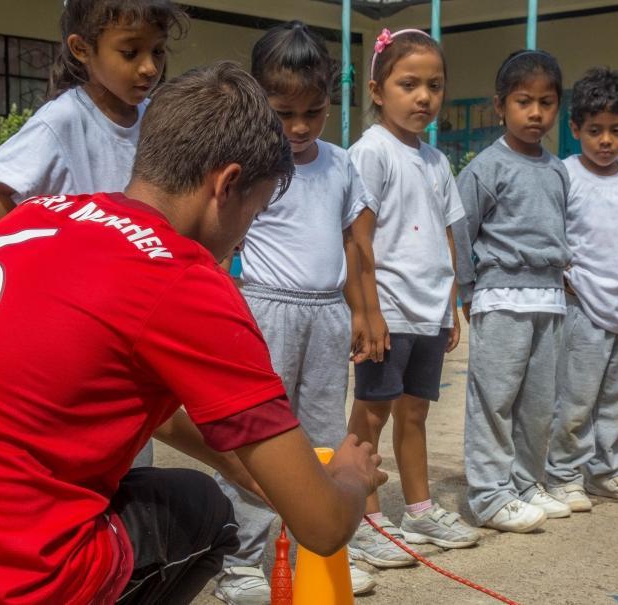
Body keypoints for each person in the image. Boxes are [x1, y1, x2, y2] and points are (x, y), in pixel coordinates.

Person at [0, 62, 387, 605]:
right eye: (255, 212)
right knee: (203, 510)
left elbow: (125, 392)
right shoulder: (181, 278)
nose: (242, 238)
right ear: (227, 185)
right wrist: (348, 477)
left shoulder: (37, 217)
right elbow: (322, 526)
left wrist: (237, 462)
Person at [0, 0, 187, 468]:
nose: (148, 67)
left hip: (131, 316)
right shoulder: (63, 120)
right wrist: (50, 257)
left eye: (158, 52)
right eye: (130, 52)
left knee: (130, 452)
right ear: (82, 50)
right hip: (78, 322)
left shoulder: (155, 119)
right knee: (82, 448)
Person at [211, 21, 377, 603]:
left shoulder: (338, 163)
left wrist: (364, 311)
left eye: (315, 110)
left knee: (323, 438)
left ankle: (321, 550)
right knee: (259, 436)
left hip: (329, 314)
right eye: (285, 113)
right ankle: (240, 559)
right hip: (266, 312)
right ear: (260, 102)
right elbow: (219, 239)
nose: (301, 127)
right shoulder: (248, 163)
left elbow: (355, 244)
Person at [345, 28, 478, 569]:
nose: (424, 97)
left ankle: (419, 511)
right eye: (408, 84)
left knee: (415, 412)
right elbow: (359, 239)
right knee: (371, 415)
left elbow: (447, 236)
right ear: (377, 91)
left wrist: (449, 304)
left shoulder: (436, 161)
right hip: (388, 311)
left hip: (426, 310)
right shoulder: (370, 153)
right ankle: (363, 518)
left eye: (434, 86)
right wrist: (368, 311)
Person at [451, 48, 572, 535]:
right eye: (524, 101)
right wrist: (466, 287)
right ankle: (487, 495)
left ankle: (525, 484)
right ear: (500, 106)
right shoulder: (485, 168)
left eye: (546, 102)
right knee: (494, 400)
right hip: (501, 300)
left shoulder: (559, 169)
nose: (536, 113)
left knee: (540, 404)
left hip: (549, 300)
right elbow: (460, 230)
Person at [543, 67, 618, 514]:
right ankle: (564, 475)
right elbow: (550, 235)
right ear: (575, 129)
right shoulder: (564, 175)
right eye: (595, 131)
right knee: (575, 400)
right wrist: (564, 277)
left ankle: (606, 470)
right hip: (580, 310)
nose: (606, 141)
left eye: (617, 131)